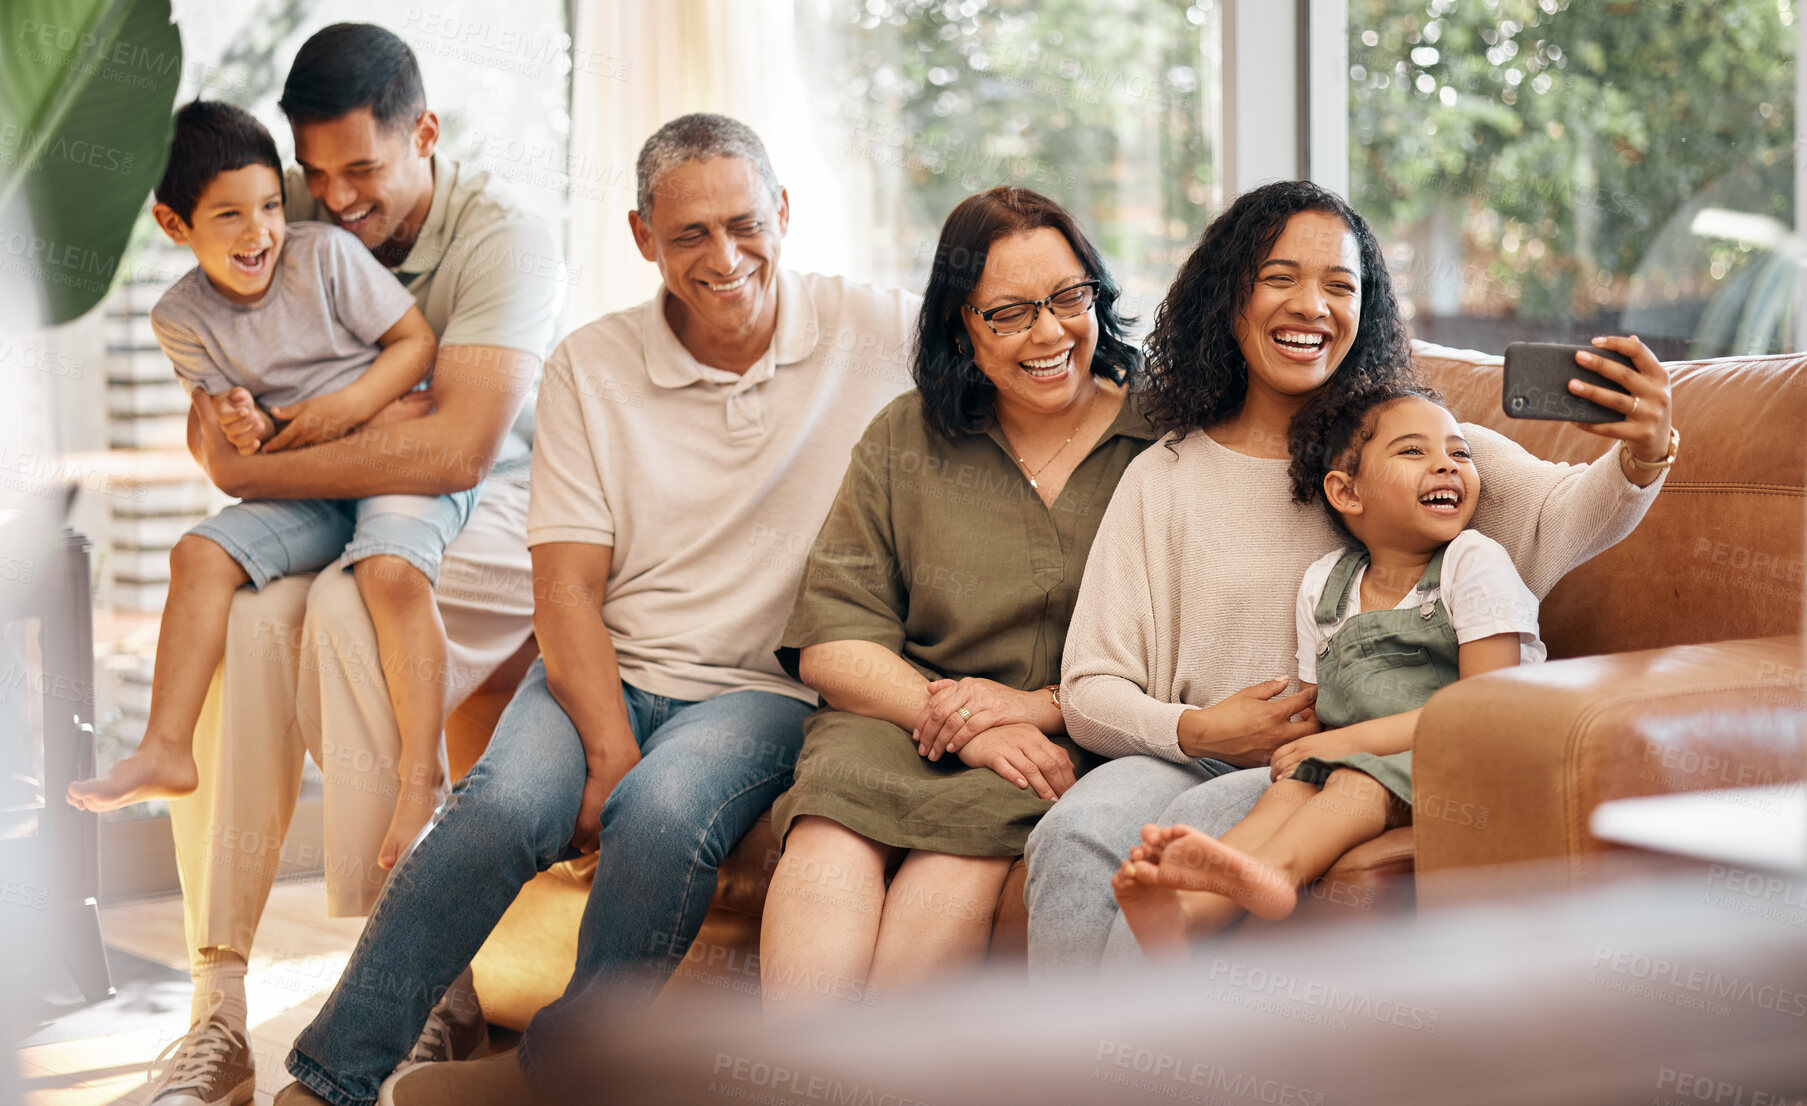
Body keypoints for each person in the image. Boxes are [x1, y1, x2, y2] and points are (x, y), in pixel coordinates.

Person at [277, 113, 918, 1106]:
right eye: (688, 234)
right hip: (603, 664)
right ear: (640, 237)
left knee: (664, 814)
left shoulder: (875, 329)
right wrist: (610, 750)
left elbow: (1021, 342)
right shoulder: (589, 363)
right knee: (496, 809)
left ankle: (559, 1077)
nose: (724, 256)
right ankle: (330, 1077)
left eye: (744, 223)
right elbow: (566, 587)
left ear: (784, 214)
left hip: (761, 690)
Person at [1025, 179, 1677, 977]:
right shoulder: (1164, 476)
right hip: (1173, 750)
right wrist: (1199, 729)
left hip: (1322, 763)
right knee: (1071, 834)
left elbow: (1571, 513)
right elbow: (1091, 689)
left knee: (1191, 841)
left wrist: (1644, 450)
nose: (1312, 306)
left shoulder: (1419, 449)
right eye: (1279, 279)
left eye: (1340, 286)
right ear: (1228, 299)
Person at [141, 24, 563, 1106]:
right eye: (314, 173)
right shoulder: (287, 200)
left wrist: (269, 456)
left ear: (424, 133)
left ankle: (423, 987)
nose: (334, 198)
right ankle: (218, 1011)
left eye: (362, 171)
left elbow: (459, 444)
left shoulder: (502, 235)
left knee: (342, 608)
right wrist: (243, 439)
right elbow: (217, 439)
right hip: (336, 490)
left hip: (500, 500)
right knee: (237, 622)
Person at [759, 187, 1158, 1012]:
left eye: (1068, 298)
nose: (1050, 333)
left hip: (1058, 736)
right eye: (1009, 314)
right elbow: (834, 638)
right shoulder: (905, 436)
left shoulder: (1166, 439)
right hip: (900, 720)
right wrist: (964, 725)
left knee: (949, 868)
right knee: (829, 841)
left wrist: (1030, 714)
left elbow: (1190, 655)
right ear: (959, 329)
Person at [66, 102, 463, 895]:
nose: (260, 232)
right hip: (305, 483)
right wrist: (245, 424)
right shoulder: (178, 317)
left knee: (388, 575)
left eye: (271, 206)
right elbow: (231, 444)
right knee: (197, 553)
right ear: (175, 224)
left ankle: (424, 775)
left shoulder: (325, 258)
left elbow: (414, 344)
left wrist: (348, 413)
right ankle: (166, 746)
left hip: (390, 467)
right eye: (230, 216)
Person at [1112, 382, 1546, 951]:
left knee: (1350, 780)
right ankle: (1192, 909)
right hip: (1364, 756)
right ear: (1346, 491)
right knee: (1291, 788)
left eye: (1459, 453)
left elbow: (1483, 712)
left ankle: (1279, 872)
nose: (1447, 465)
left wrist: (1343, 746)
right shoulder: (1326, 585)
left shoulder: (1473, 561)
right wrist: (1308, 753)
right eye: (1414, 452)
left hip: (1470, 757)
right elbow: (1324, 708)